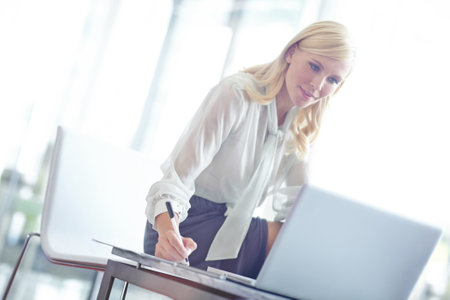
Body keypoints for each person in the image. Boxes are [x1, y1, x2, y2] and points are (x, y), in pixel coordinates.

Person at [144, 20, 356, 279]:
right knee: (281, 243)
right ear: (291, 53)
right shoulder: (236, 94)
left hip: (233, 230)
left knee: (297, 248)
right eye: (314, 66)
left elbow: (298, 211)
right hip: (184, 227)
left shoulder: (300, 129)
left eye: (332, 80)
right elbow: (175, 181)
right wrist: (168, 233)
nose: (317, 84)